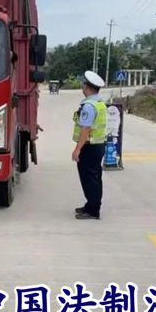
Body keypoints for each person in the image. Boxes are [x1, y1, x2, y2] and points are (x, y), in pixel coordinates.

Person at [72, 70, 107, 220]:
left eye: (83, 84)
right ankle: (91, 205)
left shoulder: (89, 106)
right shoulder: (99, 103)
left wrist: (77, 149)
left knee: (89, 179)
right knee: (95, 177)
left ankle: (93, 210)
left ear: (87, 87)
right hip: (98, 145)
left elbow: (85, 129)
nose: (82, 87)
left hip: (89, 146)